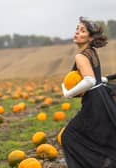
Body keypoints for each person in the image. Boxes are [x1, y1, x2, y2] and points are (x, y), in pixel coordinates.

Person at [61, 16, 116, 168]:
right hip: (102, 98)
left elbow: (90, 80)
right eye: (77, 29)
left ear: (90, 37)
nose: (77, 32)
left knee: (69, 137)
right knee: (103, 139)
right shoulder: (91, 52)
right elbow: (96, 77)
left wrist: (68, 93)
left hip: (94, 103)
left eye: (82, 30)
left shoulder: (81, 56)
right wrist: (103, 79)